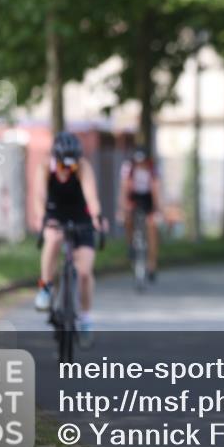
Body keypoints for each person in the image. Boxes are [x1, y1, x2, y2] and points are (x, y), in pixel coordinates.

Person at [32, 132, 106, 345]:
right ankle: (45, 288)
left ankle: (85, 318)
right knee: (53, 239)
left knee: (84, 272)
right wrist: (42, 218)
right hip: (54, 214)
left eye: (71, 166)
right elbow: (39, 197)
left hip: (80, 216)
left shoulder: (83, 167)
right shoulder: (45, 167)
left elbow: (92, 197)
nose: (67, 170)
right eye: (63, 166)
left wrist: (96, 217)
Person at [118, 145, 161, 281]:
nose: (140, 165)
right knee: (128, 218)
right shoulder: (128, 168)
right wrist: (122, 209)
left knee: (152, 227)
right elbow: (124, 189)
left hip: (148, 198)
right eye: (138, 162)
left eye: (142, 162)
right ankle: (131, 244)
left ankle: (152, 265)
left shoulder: (153, 169)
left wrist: (158, 209)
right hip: (134, 196)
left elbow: (156, 190)